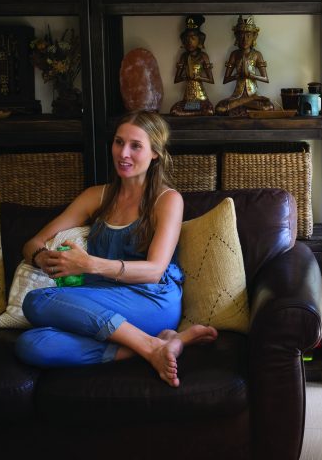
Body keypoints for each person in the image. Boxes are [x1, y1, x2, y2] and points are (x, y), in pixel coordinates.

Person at [15, 110, 217, 387]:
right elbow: (32, 243)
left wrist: (88, 264)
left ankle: (148, 345)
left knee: (37, 301)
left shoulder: (167, 200)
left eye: (136, 146)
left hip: (151, 300)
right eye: (119, 142)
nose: (123, 153)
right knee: (31, 344)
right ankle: (155, 345)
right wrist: (43, 258)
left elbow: (154, 270)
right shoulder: (95, 196)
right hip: (101, 299)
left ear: (155, 153)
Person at [215, 15, 275, 116]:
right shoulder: (234, 54)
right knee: (219, 108)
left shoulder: (257, 54)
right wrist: (237, 76)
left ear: (254, 37)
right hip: (237, 96)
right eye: (241, 36)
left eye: (248, 36)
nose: (245, 39)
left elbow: (265, 78)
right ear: (237, 37)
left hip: (253, 96)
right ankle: (245, 105)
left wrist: (251, 76)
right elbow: (226, 79)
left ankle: (244, 105)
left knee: (269, 107)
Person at [169, 14, 215, 116]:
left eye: (193, 38)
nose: (190, 41)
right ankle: (192, 112)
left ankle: (193, 112)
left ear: (200, 40)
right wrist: (186, 77)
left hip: (201, 99)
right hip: (188, 100)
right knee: (174, 110)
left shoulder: (203, 56)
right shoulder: (184, 56)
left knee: (208, 110)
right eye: (187, 38)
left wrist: (198, 77)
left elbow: (211, 80)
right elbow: (176, 79)